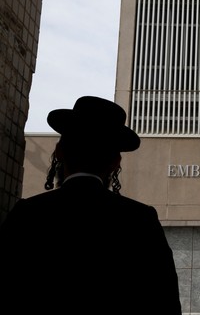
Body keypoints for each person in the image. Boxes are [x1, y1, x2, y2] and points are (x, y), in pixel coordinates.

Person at [0, 96, 182, 314]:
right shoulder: (140, 219)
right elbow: (164, 300)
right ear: (116, 163)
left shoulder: (28, 214)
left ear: (59, 151)